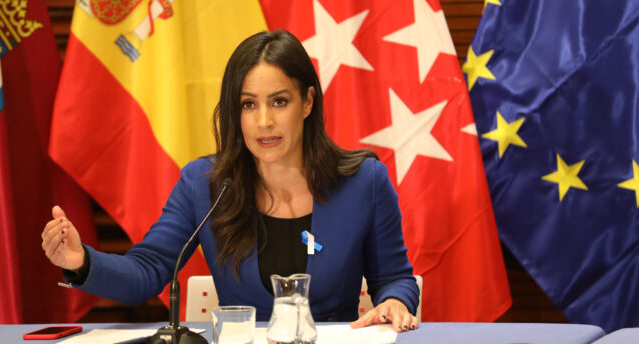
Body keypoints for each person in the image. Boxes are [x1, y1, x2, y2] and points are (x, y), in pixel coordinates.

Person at [41, 29, 419, 332]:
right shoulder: (204, 184)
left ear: (307, 102)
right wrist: (81, 261)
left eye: (279, 101)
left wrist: (395, 301)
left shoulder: (364, 182)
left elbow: (394, 278)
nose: (264, 121)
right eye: (248, 104)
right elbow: (148, 270)